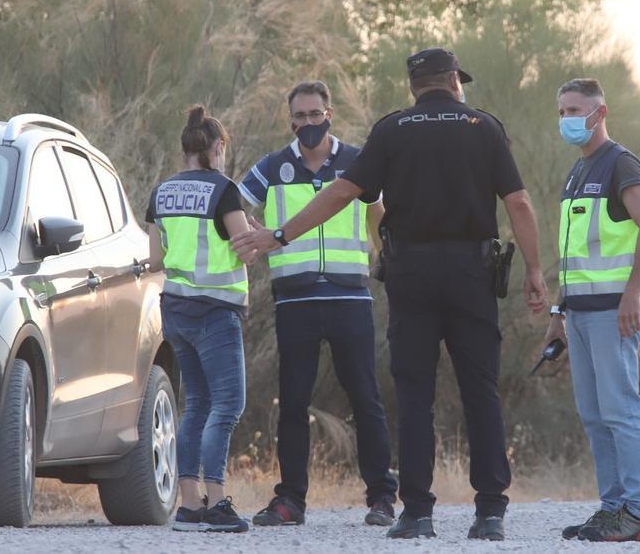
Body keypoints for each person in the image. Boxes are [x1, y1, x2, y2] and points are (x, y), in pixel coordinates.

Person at [232, 48, 548, 542]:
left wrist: (281, 235)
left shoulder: (391, 130)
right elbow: (520, 203)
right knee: (481, 392)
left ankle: (417, 512)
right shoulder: (483, 127)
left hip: (412, 274)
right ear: (452, 82)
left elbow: (340, 194)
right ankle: (489, 513)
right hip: (471, 272)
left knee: (414, 393)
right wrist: (533, 270)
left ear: (414, 86)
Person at [237, 81, 399, 528]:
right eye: (300, 116)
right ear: (290, 120)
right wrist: (250, 232)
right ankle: (290, 501)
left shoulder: (356, 162)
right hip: (296, 301)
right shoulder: (272, 166)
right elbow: (232, 203)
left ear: (331, 114)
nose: (308, 123)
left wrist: (390, 255)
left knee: (366, 398)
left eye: (315, 114)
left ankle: (382, 498)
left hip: (350, 297)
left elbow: (381, 215)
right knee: (293, 403)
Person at [544, 78, 640, 544]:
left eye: (575, 109)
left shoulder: (621, 164)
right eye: (561, 111)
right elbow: (573, 255)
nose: (567, 119)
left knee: (621, 409)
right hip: (578, 314)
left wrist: (633, 293)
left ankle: (639, 511)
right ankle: (613, 507)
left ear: (600, 112)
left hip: (614, 313)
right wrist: (557, 314)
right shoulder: (577, 171)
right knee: (594, 414)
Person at [146, 105, 254, 533]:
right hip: (215, 312)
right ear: (217, 147)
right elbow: (245, 245)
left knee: (197, 406)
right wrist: (262, 241)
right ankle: (217, 500)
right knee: (228, 404)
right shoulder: (223, 189)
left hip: (175, 311)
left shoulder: (161, 192)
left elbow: (156, 257)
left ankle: (189, 505)